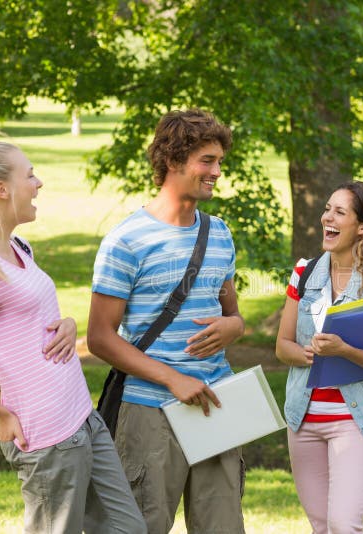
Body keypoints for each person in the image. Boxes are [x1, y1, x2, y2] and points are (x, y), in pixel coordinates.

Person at [0, 141, 146, 534]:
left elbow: (32, 318)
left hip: (81, 417)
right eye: (29, 175)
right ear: (1, 189)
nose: (38, 183)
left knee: (128, 528)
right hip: (45, 436)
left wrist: (69, 323)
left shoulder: (18, 247)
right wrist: (1, 413)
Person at [87, 109, 246, 534]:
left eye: (219, 162)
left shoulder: (220, 233)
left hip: (216, 402)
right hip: (149, 409)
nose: (216, 172)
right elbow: (100, 337)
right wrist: (173, 379)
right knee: (144, 525)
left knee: (223, 527)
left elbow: (231, 312)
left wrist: (235, 327)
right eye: (207, 161)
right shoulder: (126, 241)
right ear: (174, 161)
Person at [275, 181, 363, 534]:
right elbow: (282, 345)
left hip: (353, 420)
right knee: (321, 526)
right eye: (326, 209)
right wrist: (307, 353)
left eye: (339, 212)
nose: (327, 218)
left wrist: (344, 350)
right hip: (302, 419)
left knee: (343, 525)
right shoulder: (304, 272)